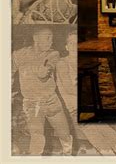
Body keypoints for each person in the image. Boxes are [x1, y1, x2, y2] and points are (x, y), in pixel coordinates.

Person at [12, 27, 73, 155]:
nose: (51, 41)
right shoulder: (19, 54)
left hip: (51, 101)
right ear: (35, 38)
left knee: (65, 135)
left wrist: (43, 71)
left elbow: (46, 70)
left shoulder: (53, 53)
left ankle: (68, 156)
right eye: (47, 37)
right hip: (31, 103)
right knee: (36, 135)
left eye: (52, 37)